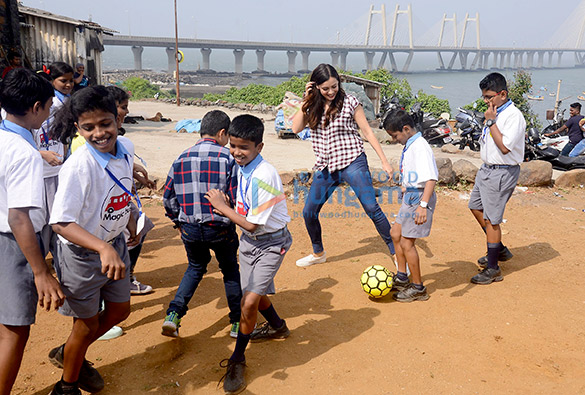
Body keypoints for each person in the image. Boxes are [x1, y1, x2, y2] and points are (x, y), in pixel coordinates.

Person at [47, 86, 138, 395]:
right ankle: (67, 385)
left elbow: (121, 187)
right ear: (78, 128)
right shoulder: (78, 167)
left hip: (115, 246)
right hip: (83, 255)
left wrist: (132, 219)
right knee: (84, 325)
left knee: (119, 311)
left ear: (117, 119)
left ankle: (71, 352)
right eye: (89, 127)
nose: (99, 133)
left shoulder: (126, 146)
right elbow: (60, 222)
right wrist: (100, 247)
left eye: (105, 124)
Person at [205, 114, 292, 394]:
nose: (236, 152)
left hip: (270, 243)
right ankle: (278, 326)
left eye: (244, 147)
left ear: (260, 147)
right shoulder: (242, 166)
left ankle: (237, 358)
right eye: (233, 145)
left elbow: (253, 223)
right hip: (250, 242)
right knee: (256, 293)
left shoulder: (265, 175)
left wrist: (223, 206)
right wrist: (233, 205)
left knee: (249, 301)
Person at [292, 63, 395, 267]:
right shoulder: (311, 104)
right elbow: (295, 128)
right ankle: (318, 253)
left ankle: (397, 253)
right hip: (325, 166)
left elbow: (367, 132)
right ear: (316, 87)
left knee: (371, 207)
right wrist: (306, 99)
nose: (331, 92)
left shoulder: (349, 102)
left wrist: (384, 161)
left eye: (334, 86)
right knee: (308, 212)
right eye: (325, 88)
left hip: (352, 160)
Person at [0, 68, 64, 394]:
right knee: (14, 330)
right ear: (36, 107)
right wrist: (41, 272)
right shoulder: (25, 153)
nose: (51, 111)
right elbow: (19, 219)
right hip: (12, 246)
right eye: (50, 105)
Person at [162, 110, 242, 338]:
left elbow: (168, 197)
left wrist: (178, 223)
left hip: (190, 229)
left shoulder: (181, 157)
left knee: (195, 267)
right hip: (220, 228)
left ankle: (173, 315)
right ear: (222, 133)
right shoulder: (228, 159)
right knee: (229, 270)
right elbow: (235, 196)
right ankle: (237, 322)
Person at [469, 72, 525, 285]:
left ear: (503, 94)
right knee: (475, 206)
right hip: (487, 170)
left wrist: (491, 122)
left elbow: (504, 146)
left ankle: (493, 268)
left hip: (502, 171)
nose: (486, 101)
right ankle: (498, 248)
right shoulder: (495, 112)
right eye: (484, 97)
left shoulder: (513, 116)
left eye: (490, 96)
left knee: (492, 220)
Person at [383, 109, 438, 302]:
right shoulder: (410, 144)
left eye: (395, 135)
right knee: (395, 234)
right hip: (411, 197)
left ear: (406, 129)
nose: (394, 139)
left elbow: (431, 178)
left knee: (407, 243)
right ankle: (402, 277)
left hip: (419, 199)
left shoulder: (420, 146)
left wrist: (423, 206)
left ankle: (418, 288)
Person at [34, 62, 74, 261]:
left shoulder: (65, 104)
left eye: (70, 81)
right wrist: (42, 154)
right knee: (42, 223)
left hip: (58, 171)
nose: (68, 85)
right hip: (41, 174)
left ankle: (60, 262)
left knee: (59, 219)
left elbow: (64, 137)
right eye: (62, 81)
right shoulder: (40, 108)